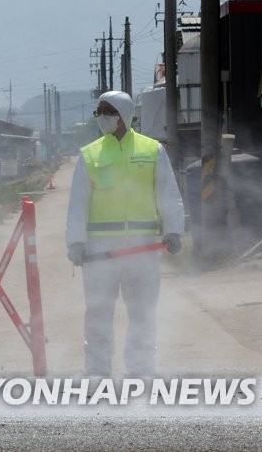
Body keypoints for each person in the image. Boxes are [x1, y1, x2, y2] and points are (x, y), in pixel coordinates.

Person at [65, 90, 185, 377]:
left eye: (107, 111)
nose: (101, 117)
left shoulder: (152, 150)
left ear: (123, 115)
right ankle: (96, 371)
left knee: (142, 313)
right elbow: (78, 202)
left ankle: (141, 369)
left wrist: (174, 230)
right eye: (99, 111)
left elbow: (167, 193)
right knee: (97, 314)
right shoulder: (90, 154)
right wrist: (76, 241)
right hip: (99, 253)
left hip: (141, 250)